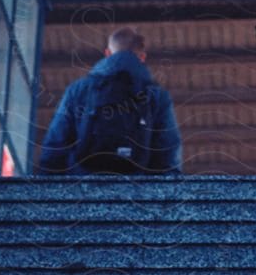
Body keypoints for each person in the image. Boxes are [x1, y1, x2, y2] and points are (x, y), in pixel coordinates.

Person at [38, 25, 183, 175]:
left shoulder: (79, 90)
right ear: (142, 57)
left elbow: (56, 143)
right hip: (136, 188)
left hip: (83, 184)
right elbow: (167, 150)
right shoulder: (156, 95)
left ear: (107, 54)